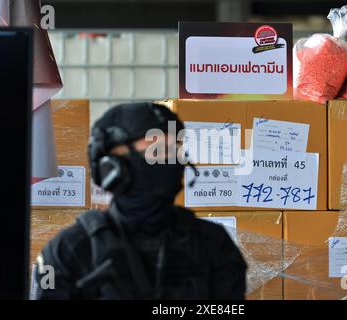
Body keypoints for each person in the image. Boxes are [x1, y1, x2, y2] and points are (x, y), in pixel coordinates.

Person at [34, 102, 247, 300]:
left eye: (175, 151)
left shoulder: (213, 245)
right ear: (111, 165)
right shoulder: (67, 251)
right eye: (156, 151)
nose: (169, 161)